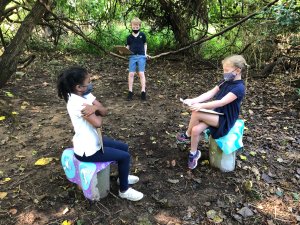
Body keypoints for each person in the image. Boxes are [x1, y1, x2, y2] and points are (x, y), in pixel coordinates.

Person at [57, 66, 144, 201]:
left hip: (94, 139)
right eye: (88, 82)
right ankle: (124, 190)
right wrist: (96, 109)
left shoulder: (84, 94)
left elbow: (104, 111)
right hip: (88, 150)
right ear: (79, 87)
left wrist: (96, 108)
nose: (90, 84)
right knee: (125, 156)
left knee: (124, 147)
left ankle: (123, 178)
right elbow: (98, 123)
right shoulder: (78, 104)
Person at [176, 55, 248, 170]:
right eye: (224, 70)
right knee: (196, 129)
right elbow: (210, 93)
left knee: (196, 112)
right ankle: (193, 153)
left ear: (238, 70)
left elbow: (221, 102)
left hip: (225, 119)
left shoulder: (239, 88)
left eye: (227, 70)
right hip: (216, 114)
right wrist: (193, 100)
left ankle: (186, 135)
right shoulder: (225, 82)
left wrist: (201, 106)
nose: (224, 73)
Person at [126, 17, 149, 101]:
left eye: (137, 26)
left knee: (141, 73)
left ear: (139, 26)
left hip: (141, 56)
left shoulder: (142, 35)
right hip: (132, 57)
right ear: (131, 26)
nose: (135, 28)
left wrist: (145, 54)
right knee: (131, 74)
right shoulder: (129, 37)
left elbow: (145, 44)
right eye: (134, 26)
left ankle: (143, 92)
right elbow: (127, 47)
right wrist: (124, 50)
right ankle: (130, 92)